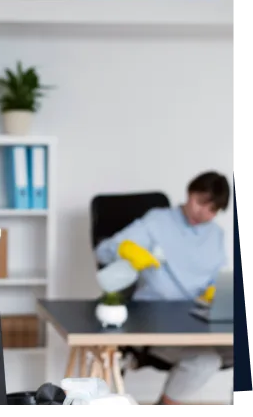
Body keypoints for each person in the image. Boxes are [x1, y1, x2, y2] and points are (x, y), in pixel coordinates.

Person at [95, 171, 234, 406]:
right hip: (156, 317)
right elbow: (103, 251)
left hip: (198, 317)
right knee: (205, 361)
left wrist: (218, 290)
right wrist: (124, 249)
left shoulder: (216, 235)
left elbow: (219, 276)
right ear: (189, 193)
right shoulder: (157, 221)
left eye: (212, 209)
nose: (203, 213)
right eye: (200, 202)